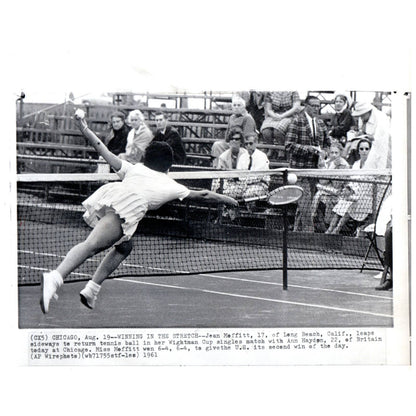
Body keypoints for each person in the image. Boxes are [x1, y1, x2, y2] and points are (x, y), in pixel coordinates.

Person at [39, 111, 238, 314]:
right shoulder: (170, 185)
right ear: (169, 165)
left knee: (125, 247)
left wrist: (84, 128)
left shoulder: (133, 168)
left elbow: (102, 149)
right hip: (126, 209)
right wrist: (229, 200)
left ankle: (91, 290)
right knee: (91, 246)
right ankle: (55, 278)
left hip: (115, 200)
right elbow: (203, 195)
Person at [285, 95, 330, 232]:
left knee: (305, 204)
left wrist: (325, 153)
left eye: (318, 106)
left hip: (315, 171)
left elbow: (327, 143)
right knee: (305, 204)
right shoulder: (296, 121)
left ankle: (296, 234)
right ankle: (309, 234)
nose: (316, 108)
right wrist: (309, 150)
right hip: (299, 171)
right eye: (313, 106)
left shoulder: (320, 123)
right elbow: (289, 145)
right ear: (306, 106)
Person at [326, 138, 373, 235]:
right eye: (361, 149)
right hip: (354, 194)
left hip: (367, 198)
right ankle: (330, 230)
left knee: (349, 204)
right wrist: (349, 190)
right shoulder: (356, 164)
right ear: (358, 151)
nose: (364, 151)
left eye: (366, 149)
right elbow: (352, 181)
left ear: (370, 150)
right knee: (343, 202)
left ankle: (336, 230)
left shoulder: (373, 166)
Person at [311, 142, 350, 232]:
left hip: (340, 192)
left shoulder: (344, 165)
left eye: (336, 153)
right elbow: (323, 181)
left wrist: (330, 171)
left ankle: (328, 228)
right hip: (327, 190)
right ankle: (316, 223)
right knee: (318, 193)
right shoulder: (327, 162)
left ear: (340, 153)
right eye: (332, 152)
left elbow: (337, 185)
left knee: (320, 191)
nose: (334, 155)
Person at [211, 95, 256, 168]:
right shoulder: (232, 117)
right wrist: (229, 141)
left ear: (243, 107)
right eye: (234, 105)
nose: (236, 107)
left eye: (239, 105)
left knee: (235, 148)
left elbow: (248, 138)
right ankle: (218, 168)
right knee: (217, 145)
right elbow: (227, 134)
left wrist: (237, 142)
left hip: (241, 144)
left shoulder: (247, 118)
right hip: (231, 142)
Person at [350, 101, 391, 169]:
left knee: (380, 165)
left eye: (362, 115)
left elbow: (379, 141)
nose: (361, 117)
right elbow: (362, 130)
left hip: (383, 146)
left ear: (367, 112)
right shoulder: (363, 118)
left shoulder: (381, 119)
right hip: (371, 146)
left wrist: (369, 137)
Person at [260, 91, 301, 158]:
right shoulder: (270, 92)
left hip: (289, 115)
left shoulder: (293, 92)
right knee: (266, 130)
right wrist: (274, 116)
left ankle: (281, 149)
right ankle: (271, 148)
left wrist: (282, 116)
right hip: (275, 115)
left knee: (278, 131)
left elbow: (295, 107)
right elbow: (268, 109)